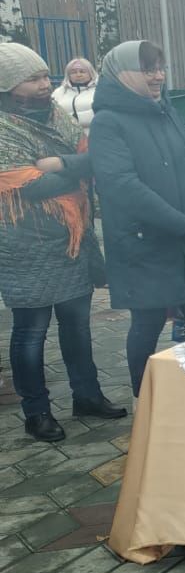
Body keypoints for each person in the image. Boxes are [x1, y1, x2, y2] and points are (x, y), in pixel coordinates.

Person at [0, 44, 125, 441]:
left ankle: (86, 395)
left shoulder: (56, 114)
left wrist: (68, 167)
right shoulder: (3, 128)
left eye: (44, 76)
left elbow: (86, 159)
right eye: (33, 78)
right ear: (7, 85)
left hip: (72, 242)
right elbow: (30, 185)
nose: (44, 84)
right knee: (31, 332)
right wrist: (77, 169)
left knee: (76, 325)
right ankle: (36, 411)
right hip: (24, 247)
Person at [90, 40, 185, 398]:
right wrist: (178, 221)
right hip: (143, 241)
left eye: (160, 67)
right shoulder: (108, 122)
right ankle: (144, 402)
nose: (158, 76)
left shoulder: (164, 110)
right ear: (121, 74)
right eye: (148, 69)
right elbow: (121, 184)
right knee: (147, 324)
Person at [51, 57, 97, 129]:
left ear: (91, 73)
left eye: (82, 71)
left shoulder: (99, 90)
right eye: (73, 72)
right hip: (68, 136)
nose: (78, 75)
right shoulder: (59, 92)